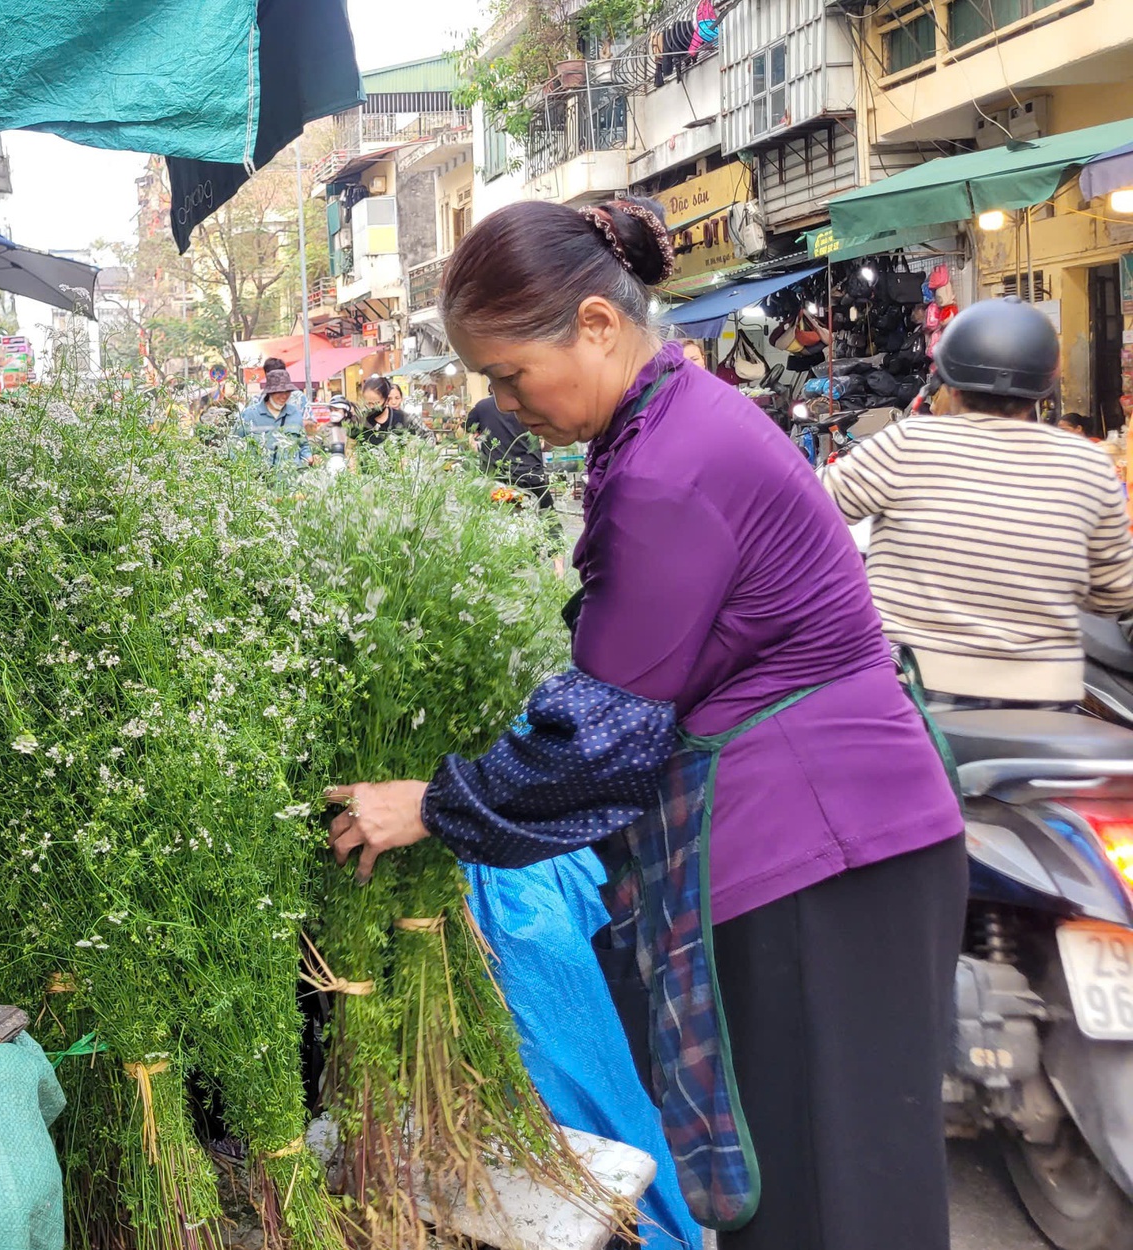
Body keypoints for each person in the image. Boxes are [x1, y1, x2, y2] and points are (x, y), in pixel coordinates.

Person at [324, 198, 963, 1250]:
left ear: (593, 323)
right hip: (838, 844)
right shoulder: (665, 429)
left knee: (828, 1201)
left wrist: (435, 800)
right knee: (833, 1185)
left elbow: (607, 729)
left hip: (820, 853)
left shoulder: (668, 466)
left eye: (507, 373)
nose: (500, 402)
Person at [822, 298, 1133, 711]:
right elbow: (1115, 595)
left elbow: (806, 513)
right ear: (1046, 387)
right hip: (1045, 702)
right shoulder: (1089, 462)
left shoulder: (908, 444)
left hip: (914, 692)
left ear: (946, 382)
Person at [464, 394, 553, 509]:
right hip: (531, 476)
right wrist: (544, 447)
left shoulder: (482, 407)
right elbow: (553, 435)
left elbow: (464, 432)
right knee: (548, 518)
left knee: (493, 518)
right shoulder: (532, 403)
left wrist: (473, 443)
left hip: (497, 478)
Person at [233, 367, 313, 471]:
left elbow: (303, 444)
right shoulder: (250, 415)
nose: (284, 396)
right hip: (259, 479)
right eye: (279, 392)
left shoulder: (295, 413)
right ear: (270, 392)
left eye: (287, 392)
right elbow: (233, 444)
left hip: (290, 479)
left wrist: (308, 457)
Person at [354, 375, 416, 446]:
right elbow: (351, 448)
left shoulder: (402, 418)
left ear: (386, 400)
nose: (372, 407)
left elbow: (417, 441)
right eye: (369, 403)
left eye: (377, 403)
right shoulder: (360, 420)